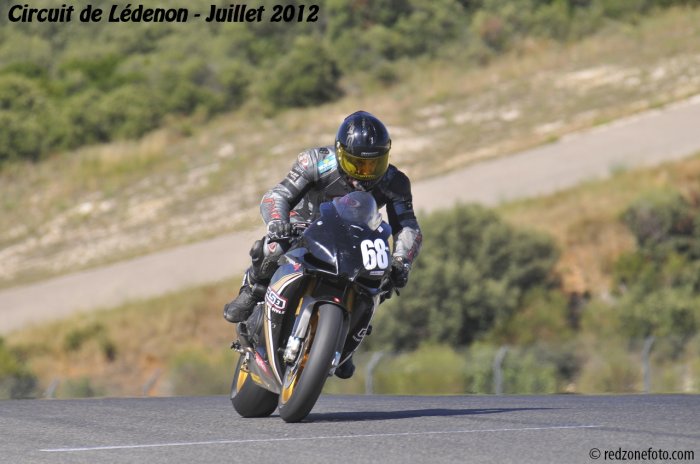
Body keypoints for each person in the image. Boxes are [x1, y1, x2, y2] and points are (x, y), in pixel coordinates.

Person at [223, 110, 422, 378]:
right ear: (340, 153)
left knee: (382, 277)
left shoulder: (395, 182)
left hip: (354, 237)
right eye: (356, 164)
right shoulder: (316, 162)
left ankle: (345, 336)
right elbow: (277, 195)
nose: (364, 174)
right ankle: (252, 290)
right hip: (304, 225)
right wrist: (278, 222)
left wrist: (401, 260)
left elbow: (408, 226)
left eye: (373, 165)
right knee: (274, 246)